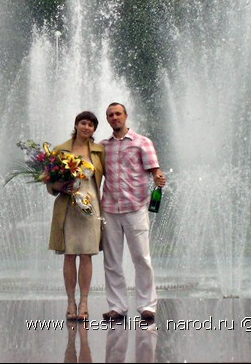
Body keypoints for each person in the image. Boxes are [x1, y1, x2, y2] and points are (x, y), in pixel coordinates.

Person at [99, 102, 166, 322]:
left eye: (118, 113)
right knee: (111, 261)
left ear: (126, 116)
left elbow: (155, 171)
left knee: (142, 259)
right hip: (109, 208)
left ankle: (147, 305)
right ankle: (117, 306)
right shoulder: (103, 146)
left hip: (135, 208)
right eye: (110, 115)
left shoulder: (142, 143)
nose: (114, 117)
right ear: (107, 119)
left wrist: (158, 178)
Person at [47, 111, 105, 322]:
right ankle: (71, 301)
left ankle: (84, 302)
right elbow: (49, 183)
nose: (86, 127)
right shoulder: (60, 150)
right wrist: (59, 185)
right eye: (83, 123)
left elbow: (111, 175)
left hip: (90, 208)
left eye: (91, 124)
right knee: (70, 254)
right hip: (68, 206)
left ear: (94, 129)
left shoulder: (100, 151)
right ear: (76, 124)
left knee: (87, 254)